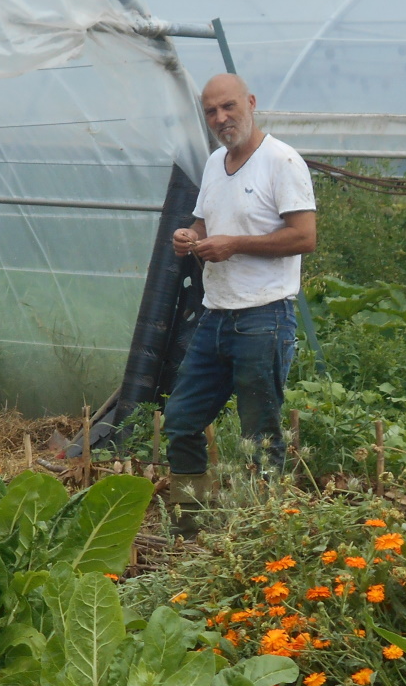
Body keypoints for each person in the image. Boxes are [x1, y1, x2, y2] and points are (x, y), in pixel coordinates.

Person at [164, 73, 316, 531]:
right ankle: (189, 528)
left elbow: (305, 237)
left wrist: (235, 244)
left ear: (251, 102)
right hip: (217, 314)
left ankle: (265, 534)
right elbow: (206, 224)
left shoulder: (281, 161)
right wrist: (191, 237)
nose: (221, 118)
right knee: (181, 418)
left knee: (261, 434)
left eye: (229, 107)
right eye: (211, 111)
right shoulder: (215, 163)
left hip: (265, 316)